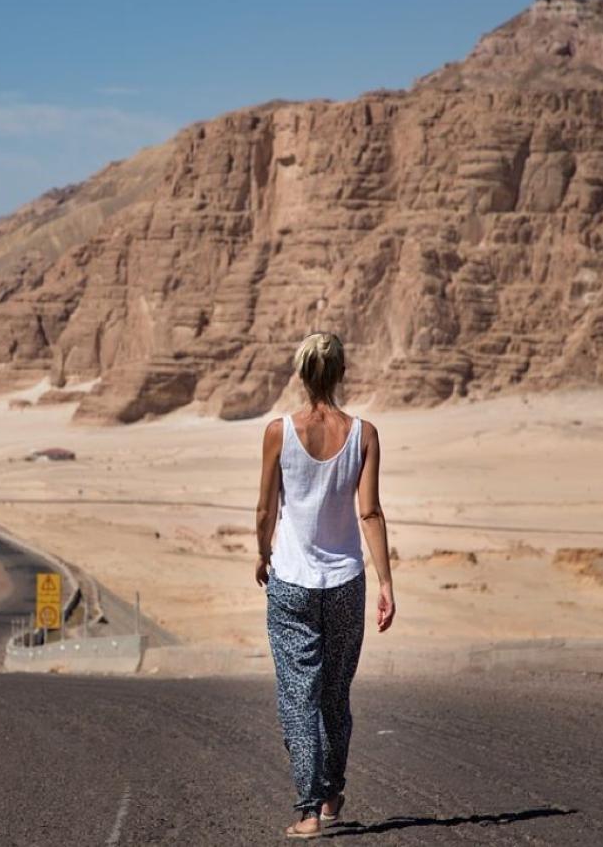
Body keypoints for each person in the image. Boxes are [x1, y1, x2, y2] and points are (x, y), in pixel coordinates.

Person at [255, 331, 396, 839]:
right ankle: (332, 791)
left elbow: (267, 507)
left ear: (300, 374)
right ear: (340, 374)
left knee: (299, 697)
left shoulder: (278, 432)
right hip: (345, 583)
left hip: (290, 581)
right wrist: (386, 582)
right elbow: (371, 511)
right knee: (335, 693)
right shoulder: (364, 434)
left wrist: (262, 552)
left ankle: (309, 809)